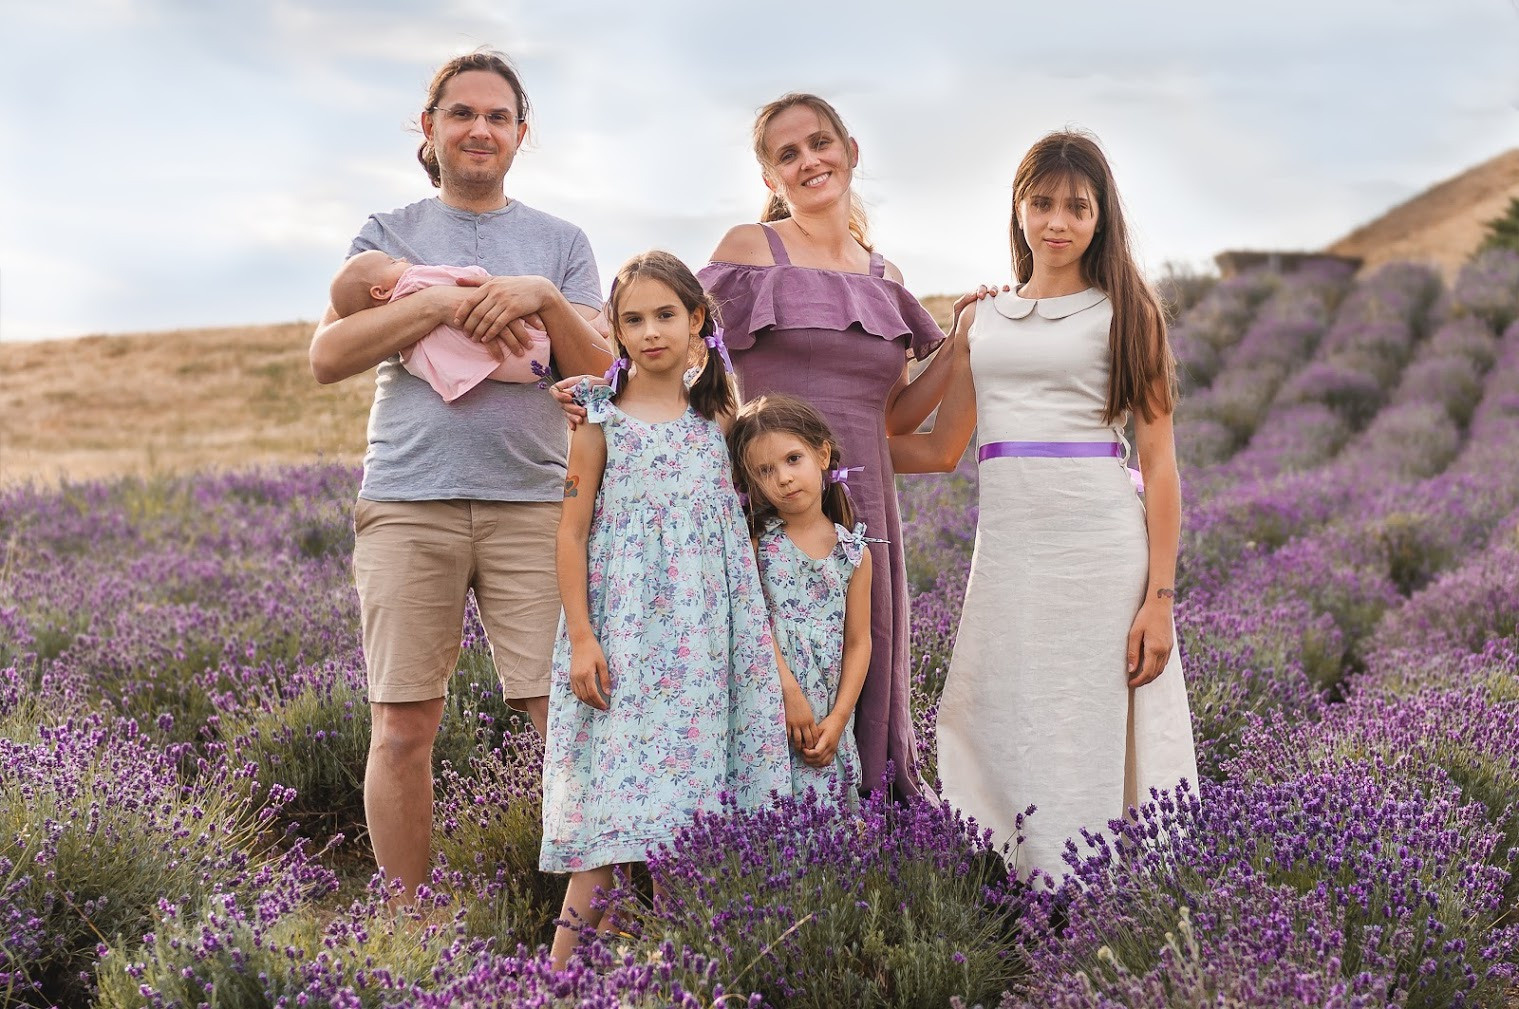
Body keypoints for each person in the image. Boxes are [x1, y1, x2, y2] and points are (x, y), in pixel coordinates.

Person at [308, 49, 611, 905]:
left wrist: (540, 296)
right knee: (403, 726)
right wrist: (437, 304)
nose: (480, 128)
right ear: (430, 126)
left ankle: (596, 922)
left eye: (497, 116)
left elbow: (605, 371)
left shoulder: (561, 243)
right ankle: (411, 927)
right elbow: (326, 356)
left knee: (570, 718)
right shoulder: (387, 234)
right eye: (462, 113)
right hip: (408, 502)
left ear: (520, 133)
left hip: (538, 507)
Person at [891, 130, 1198, 881]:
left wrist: (1160, 600)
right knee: (994, 707)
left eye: (1077, 207)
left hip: (1102, 551)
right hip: (1009, 551)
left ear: (1100, 218)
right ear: (1019, 208)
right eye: (1042, 203)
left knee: (1085, 716)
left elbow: (1159, 466)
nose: (1057, 221)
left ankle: (1092, 890)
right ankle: (1013, 877)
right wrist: (819, 456)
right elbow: (938, 448)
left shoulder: (1128, 314)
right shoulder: (981, 321)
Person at [697, 93, 968, 799]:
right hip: (767, 504)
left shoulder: (886, 278)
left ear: (850, 151)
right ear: (770, 178)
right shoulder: (749, 249)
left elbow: (895, 417)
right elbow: (674, 346)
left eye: (820, 143)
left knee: (861, 666)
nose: (809, 161)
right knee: (772, 672)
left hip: (863, 505)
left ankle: (867, 829)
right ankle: (751, 840)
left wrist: (960, 342)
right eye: (787, 154)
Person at [541, 251, 790, 967]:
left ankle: (687, 977)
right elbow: (571, 532)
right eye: (633, 319)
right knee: (606, 827)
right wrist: (582, 638)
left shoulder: (722, 422)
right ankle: (553, 985)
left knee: (693, 833)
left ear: (697, 321)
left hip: (705, 653)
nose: (650, 331)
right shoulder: (598, 421)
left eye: (665, 315)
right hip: (622, 646)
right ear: (615, 331)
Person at [728, 393, 872, 807]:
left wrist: (839, 719)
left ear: (822, 455)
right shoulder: (756, 543)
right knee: (767, 810)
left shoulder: (853, 553)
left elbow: (859, 642)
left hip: (827, 710)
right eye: (765, 470)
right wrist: (788, 692)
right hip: (768, 698)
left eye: (793, 459)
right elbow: (752, 623)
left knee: (824, 815)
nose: (784, 478)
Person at [329, 250, 553, 402]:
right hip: (528, 343)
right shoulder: (413, 279)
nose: (403, 258)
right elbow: (470, 277)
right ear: (380, 291)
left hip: (515, 367)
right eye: (393, 262)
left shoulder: (405, 349)